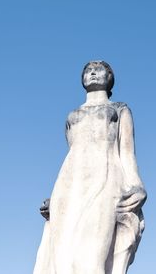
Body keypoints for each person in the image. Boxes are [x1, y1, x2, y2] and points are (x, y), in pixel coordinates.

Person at [33, 61, 146, 274]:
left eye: (99, 69)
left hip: (106, 178)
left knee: (92, 254)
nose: (93, 72)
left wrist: (136, 184)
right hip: (69, 184)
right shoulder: (72, 115)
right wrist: (54, 200)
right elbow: (72, 153)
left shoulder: (119, 110)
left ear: (110, 77)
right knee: (62, 253)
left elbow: (127, 151)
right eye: (88, 69)